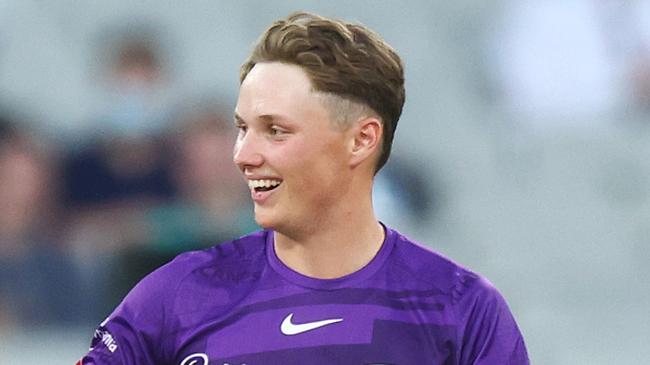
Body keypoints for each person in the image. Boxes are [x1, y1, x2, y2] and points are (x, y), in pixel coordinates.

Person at [77, 11, 529, 364]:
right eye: (243, 129)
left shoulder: (462, 310)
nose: (243, 156)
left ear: (361, 140)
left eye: (275, 131)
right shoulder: (176, 294)